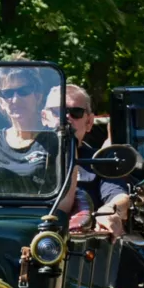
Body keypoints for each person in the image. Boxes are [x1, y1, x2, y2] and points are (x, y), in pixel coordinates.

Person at [0, 67, 75, 212]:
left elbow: (64, 202)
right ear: (0, 101)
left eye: (23, 91)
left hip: (41, 224)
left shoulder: (60, 141)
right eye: (7, 93)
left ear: (38, 96)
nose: (15, 99)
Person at [41, 83, 130, 237]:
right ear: (44, 118)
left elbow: (119, 196)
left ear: (89, 122)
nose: (66, 117)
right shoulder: (26, 157)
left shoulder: (99, 161)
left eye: (76, 112)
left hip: (77, 248)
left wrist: (109, 211)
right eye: (57, 111)